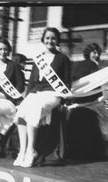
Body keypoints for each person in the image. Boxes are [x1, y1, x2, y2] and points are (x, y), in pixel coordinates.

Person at [14, 27, 71, 167]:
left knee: (35, 108)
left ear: (57, 40)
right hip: (36, 93)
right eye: (47, 38)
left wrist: (63, 100)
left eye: (53, 38)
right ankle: (22, 150)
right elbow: (32, 82)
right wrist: (27, 98)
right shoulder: (38, 59)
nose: (50, 40)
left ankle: (31, 150)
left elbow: (67, 82)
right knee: (21, 112)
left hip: (53, 94)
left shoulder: (63, 58)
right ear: (43, 40)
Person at [69, 43, 108, 158]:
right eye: (94, 52)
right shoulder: (93, 65)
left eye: (97, 53)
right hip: (92, 101)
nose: (96, 55)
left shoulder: (78, 65)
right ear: (88, 53)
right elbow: (96, 86)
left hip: (77, 101)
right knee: (106, 119)